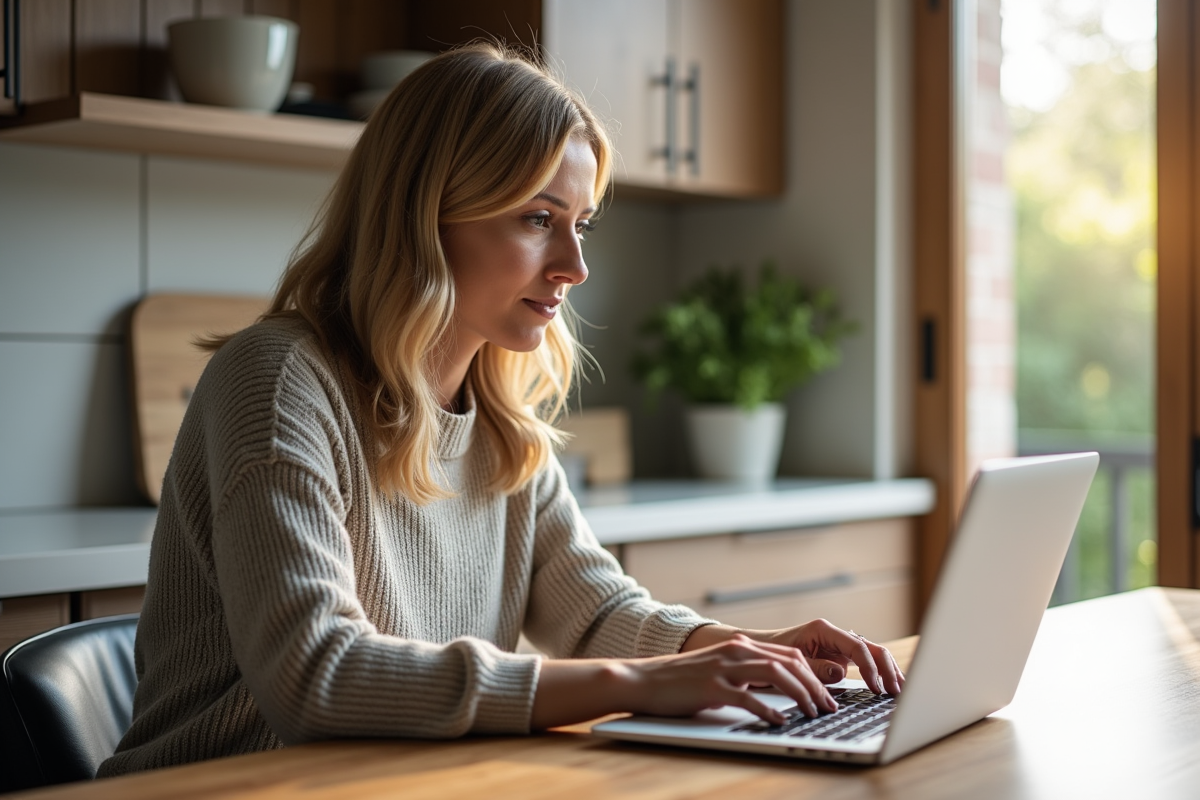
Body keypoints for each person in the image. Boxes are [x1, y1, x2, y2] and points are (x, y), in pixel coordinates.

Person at [99, 42, 904, 777]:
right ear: (425, 214)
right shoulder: (277, 382)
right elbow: (318, 676)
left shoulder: (496, 413)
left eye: (580, 224)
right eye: (537, 219)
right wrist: (643, 683)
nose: (577, 265)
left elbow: (595, 614)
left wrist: (741, 648)